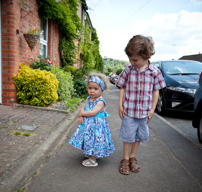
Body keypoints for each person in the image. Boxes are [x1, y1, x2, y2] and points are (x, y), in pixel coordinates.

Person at [116, 35, 166, 175]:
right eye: (130, 59)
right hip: (129, 111)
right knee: (127, 135)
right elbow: (123, 87)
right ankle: (125, 159)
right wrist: (120, 105)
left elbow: (156, 91)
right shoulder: (128, 70)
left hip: (144, 112)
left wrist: (152, 109)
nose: (132, 62)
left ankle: (133, 157)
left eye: (135, 59)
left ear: (147, 56)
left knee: (138, 135)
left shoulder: (154, 72)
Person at [69, 73, 115, 167]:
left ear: (102, 89)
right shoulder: (88, 98)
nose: (92, 91)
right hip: (89, 125)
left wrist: (82, 113)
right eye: (90, 88)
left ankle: (93, 160)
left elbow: (92, 112)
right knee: (89, 139)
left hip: (96, 126)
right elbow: (84, 108)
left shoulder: (100, 101)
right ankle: (91, 153)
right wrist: (80, 115)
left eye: (95, 89)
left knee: (95, 140)